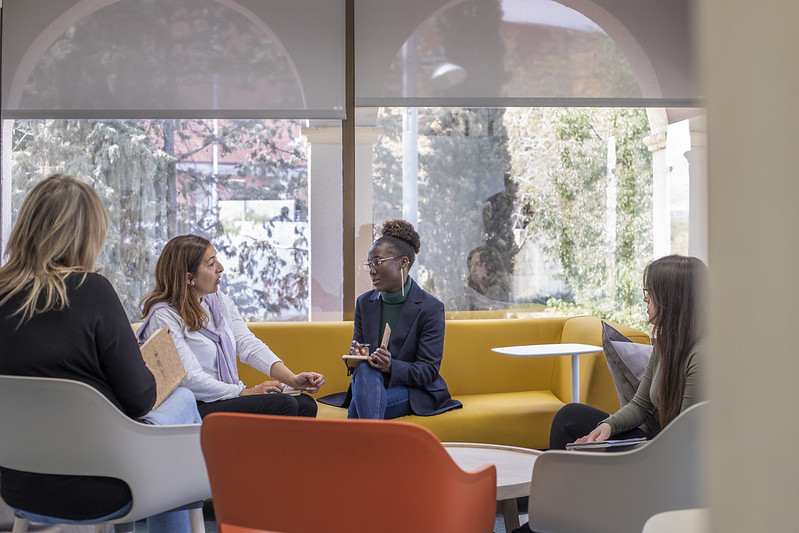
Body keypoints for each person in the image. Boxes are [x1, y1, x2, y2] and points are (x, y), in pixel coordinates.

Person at [0, 174, 201, 532]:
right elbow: (140, 399)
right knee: (183, 400)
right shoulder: (90, 291)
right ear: (86, 235)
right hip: (108, 489)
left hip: (19, 488)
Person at [512, 254, 708, 533]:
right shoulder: (666, 342)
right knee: (570, 417)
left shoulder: (701, 356)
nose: (645, 299)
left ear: (672, 298)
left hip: (671, 463)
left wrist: (622, 451)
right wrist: (608, 427)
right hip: (657, 447)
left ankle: (557, 518)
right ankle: (558, 514)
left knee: (589, 465)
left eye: (650, 292)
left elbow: (680, 446)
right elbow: (640, 404)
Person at [138, 234, 324, 419]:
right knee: (284, 405)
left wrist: (291, 379)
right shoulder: (163, 316)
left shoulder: (216, 300)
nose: (221, 268)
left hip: (226, 395)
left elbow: (246, 343)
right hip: (196, 404)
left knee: (305, 404)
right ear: (189, 278)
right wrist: (244, 393)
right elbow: (189, 378)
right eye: (211, 264)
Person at [326, 219, 461, 419]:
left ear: (403, 263)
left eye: (378, 262)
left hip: (413, 391)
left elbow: (428, 371)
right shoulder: (364, 303)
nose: (372, 270)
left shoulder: (430, 308)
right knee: (364, 367)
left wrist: (391, 366)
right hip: (370, 384)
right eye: (369, 264)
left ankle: (367, 443)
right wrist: (358, 355)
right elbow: (359, 358)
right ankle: (376, 447)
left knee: (358, 409)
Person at [464, 245, 511, 310]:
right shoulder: (472, 291)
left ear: (490, 267)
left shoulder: (496, 292)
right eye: (471, 264)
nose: (473, 269)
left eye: (478, 264)